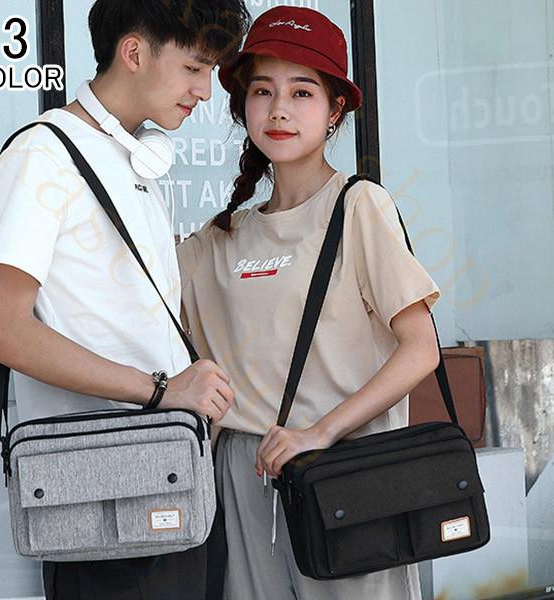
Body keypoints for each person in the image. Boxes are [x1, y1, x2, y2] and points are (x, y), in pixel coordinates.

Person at [0, 1, 250, 598]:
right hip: (103, 491)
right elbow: (2, 329)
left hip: (171, 474)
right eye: (194, 68)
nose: (205, 92)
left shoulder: (134, 159)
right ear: (133, 52)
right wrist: (161, 390)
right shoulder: (43, 155)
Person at [177, 6, 441, 600]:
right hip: (246, 475)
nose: (279, 110)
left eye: (302, 92)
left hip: (344, 470)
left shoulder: (358, 206)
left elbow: (421, 349)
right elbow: (130, 286)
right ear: (243, 105)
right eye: (262, 91)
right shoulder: (221, 238)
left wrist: (319, 433)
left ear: (335, 109)